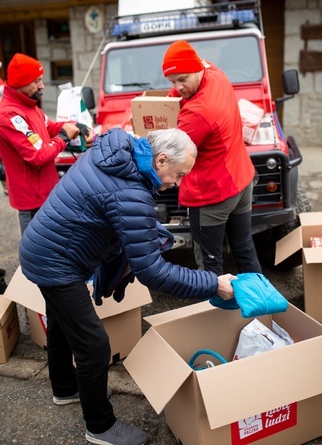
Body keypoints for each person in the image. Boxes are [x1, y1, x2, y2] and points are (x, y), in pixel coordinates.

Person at [19, 127, 236, 445]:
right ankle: (100, 427)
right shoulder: (130, 192)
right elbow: (154, 272)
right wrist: (212, 283)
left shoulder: (115, 152)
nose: (176, 184)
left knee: (64, 326)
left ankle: (65, 389)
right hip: (56, 262)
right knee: (94, 346)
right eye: (177, 175)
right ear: (160, 160)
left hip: (45, 246)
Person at [162, 40, 262, 276]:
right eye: (172, 82)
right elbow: (178, 93)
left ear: (196, 70)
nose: (177, 88)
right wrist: (177, 88)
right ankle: (263, 306)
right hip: (240, 180)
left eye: (182, 79)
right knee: (244, 248)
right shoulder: (214, 72)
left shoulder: (197, 113)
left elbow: (170, 155)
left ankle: (219, 311)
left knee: (210, 264)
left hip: (213, 192)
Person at [0, 53, 93, 236]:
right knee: (39, 257)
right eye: (37, 81)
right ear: (21, 83)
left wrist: (74, 125)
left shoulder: (28, 105)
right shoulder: (10, 115)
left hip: (46, 194)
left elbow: (49, 126)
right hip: (33, 202)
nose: (42, 86)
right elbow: (38, 156)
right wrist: (64, 137)